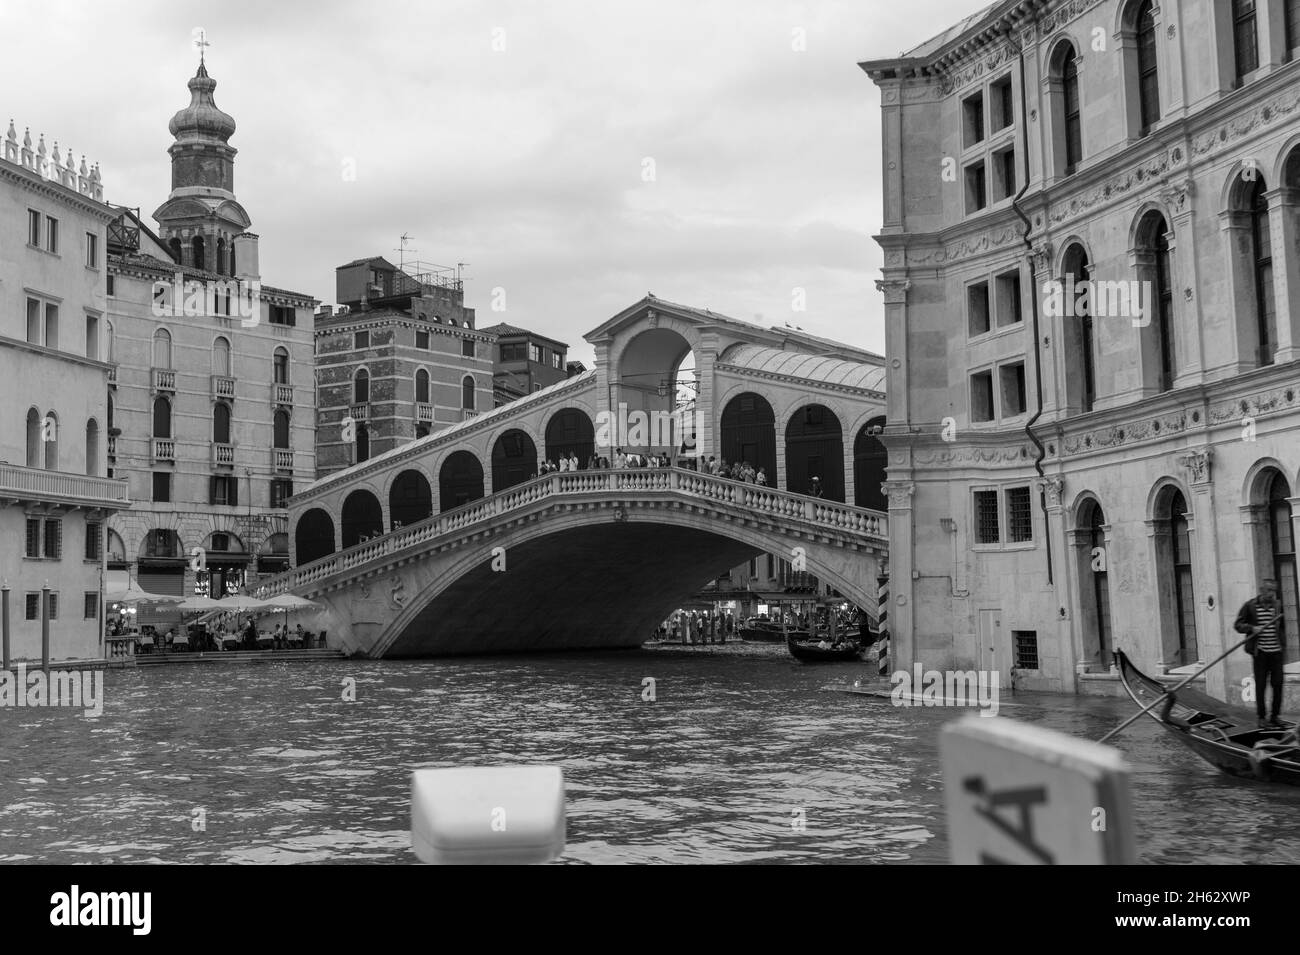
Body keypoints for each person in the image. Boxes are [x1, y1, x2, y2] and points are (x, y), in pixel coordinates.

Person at [1236, 578, 1286, 728]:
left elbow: (1281, 627)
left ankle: (1275, 717)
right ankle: (1262, 718)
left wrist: (1283, 645)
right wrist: (1252, 628)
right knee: (1261, 685)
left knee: (1278, 685)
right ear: (1261, 590)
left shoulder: (1277, 606)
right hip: (1260, 653)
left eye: (1274, 591)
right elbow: (1238, 625)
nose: (1272, 594)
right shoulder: (1250, 606)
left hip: (1276, 652)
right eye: (1269, 590)